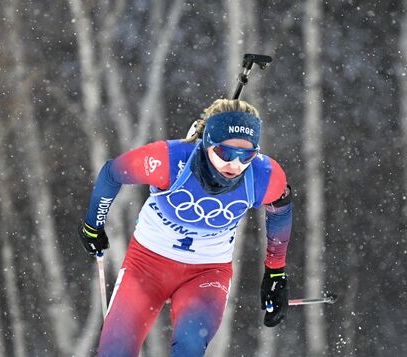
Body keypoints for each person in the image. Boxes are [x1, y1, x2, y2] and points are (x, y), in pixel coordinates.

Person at [77, 99, 293, 356]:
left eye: (246, 155)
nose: (235, 165)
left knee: (189, 346)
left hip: (207, 273)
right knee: (116, 350)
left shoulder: (264, 175)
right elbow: (112, 173)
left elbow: (280, 210)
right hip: (146, 265)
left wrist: (275, 274)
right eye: (226, 153)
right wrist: (93, 225)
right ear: (207, 142)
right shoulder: (169, 159)